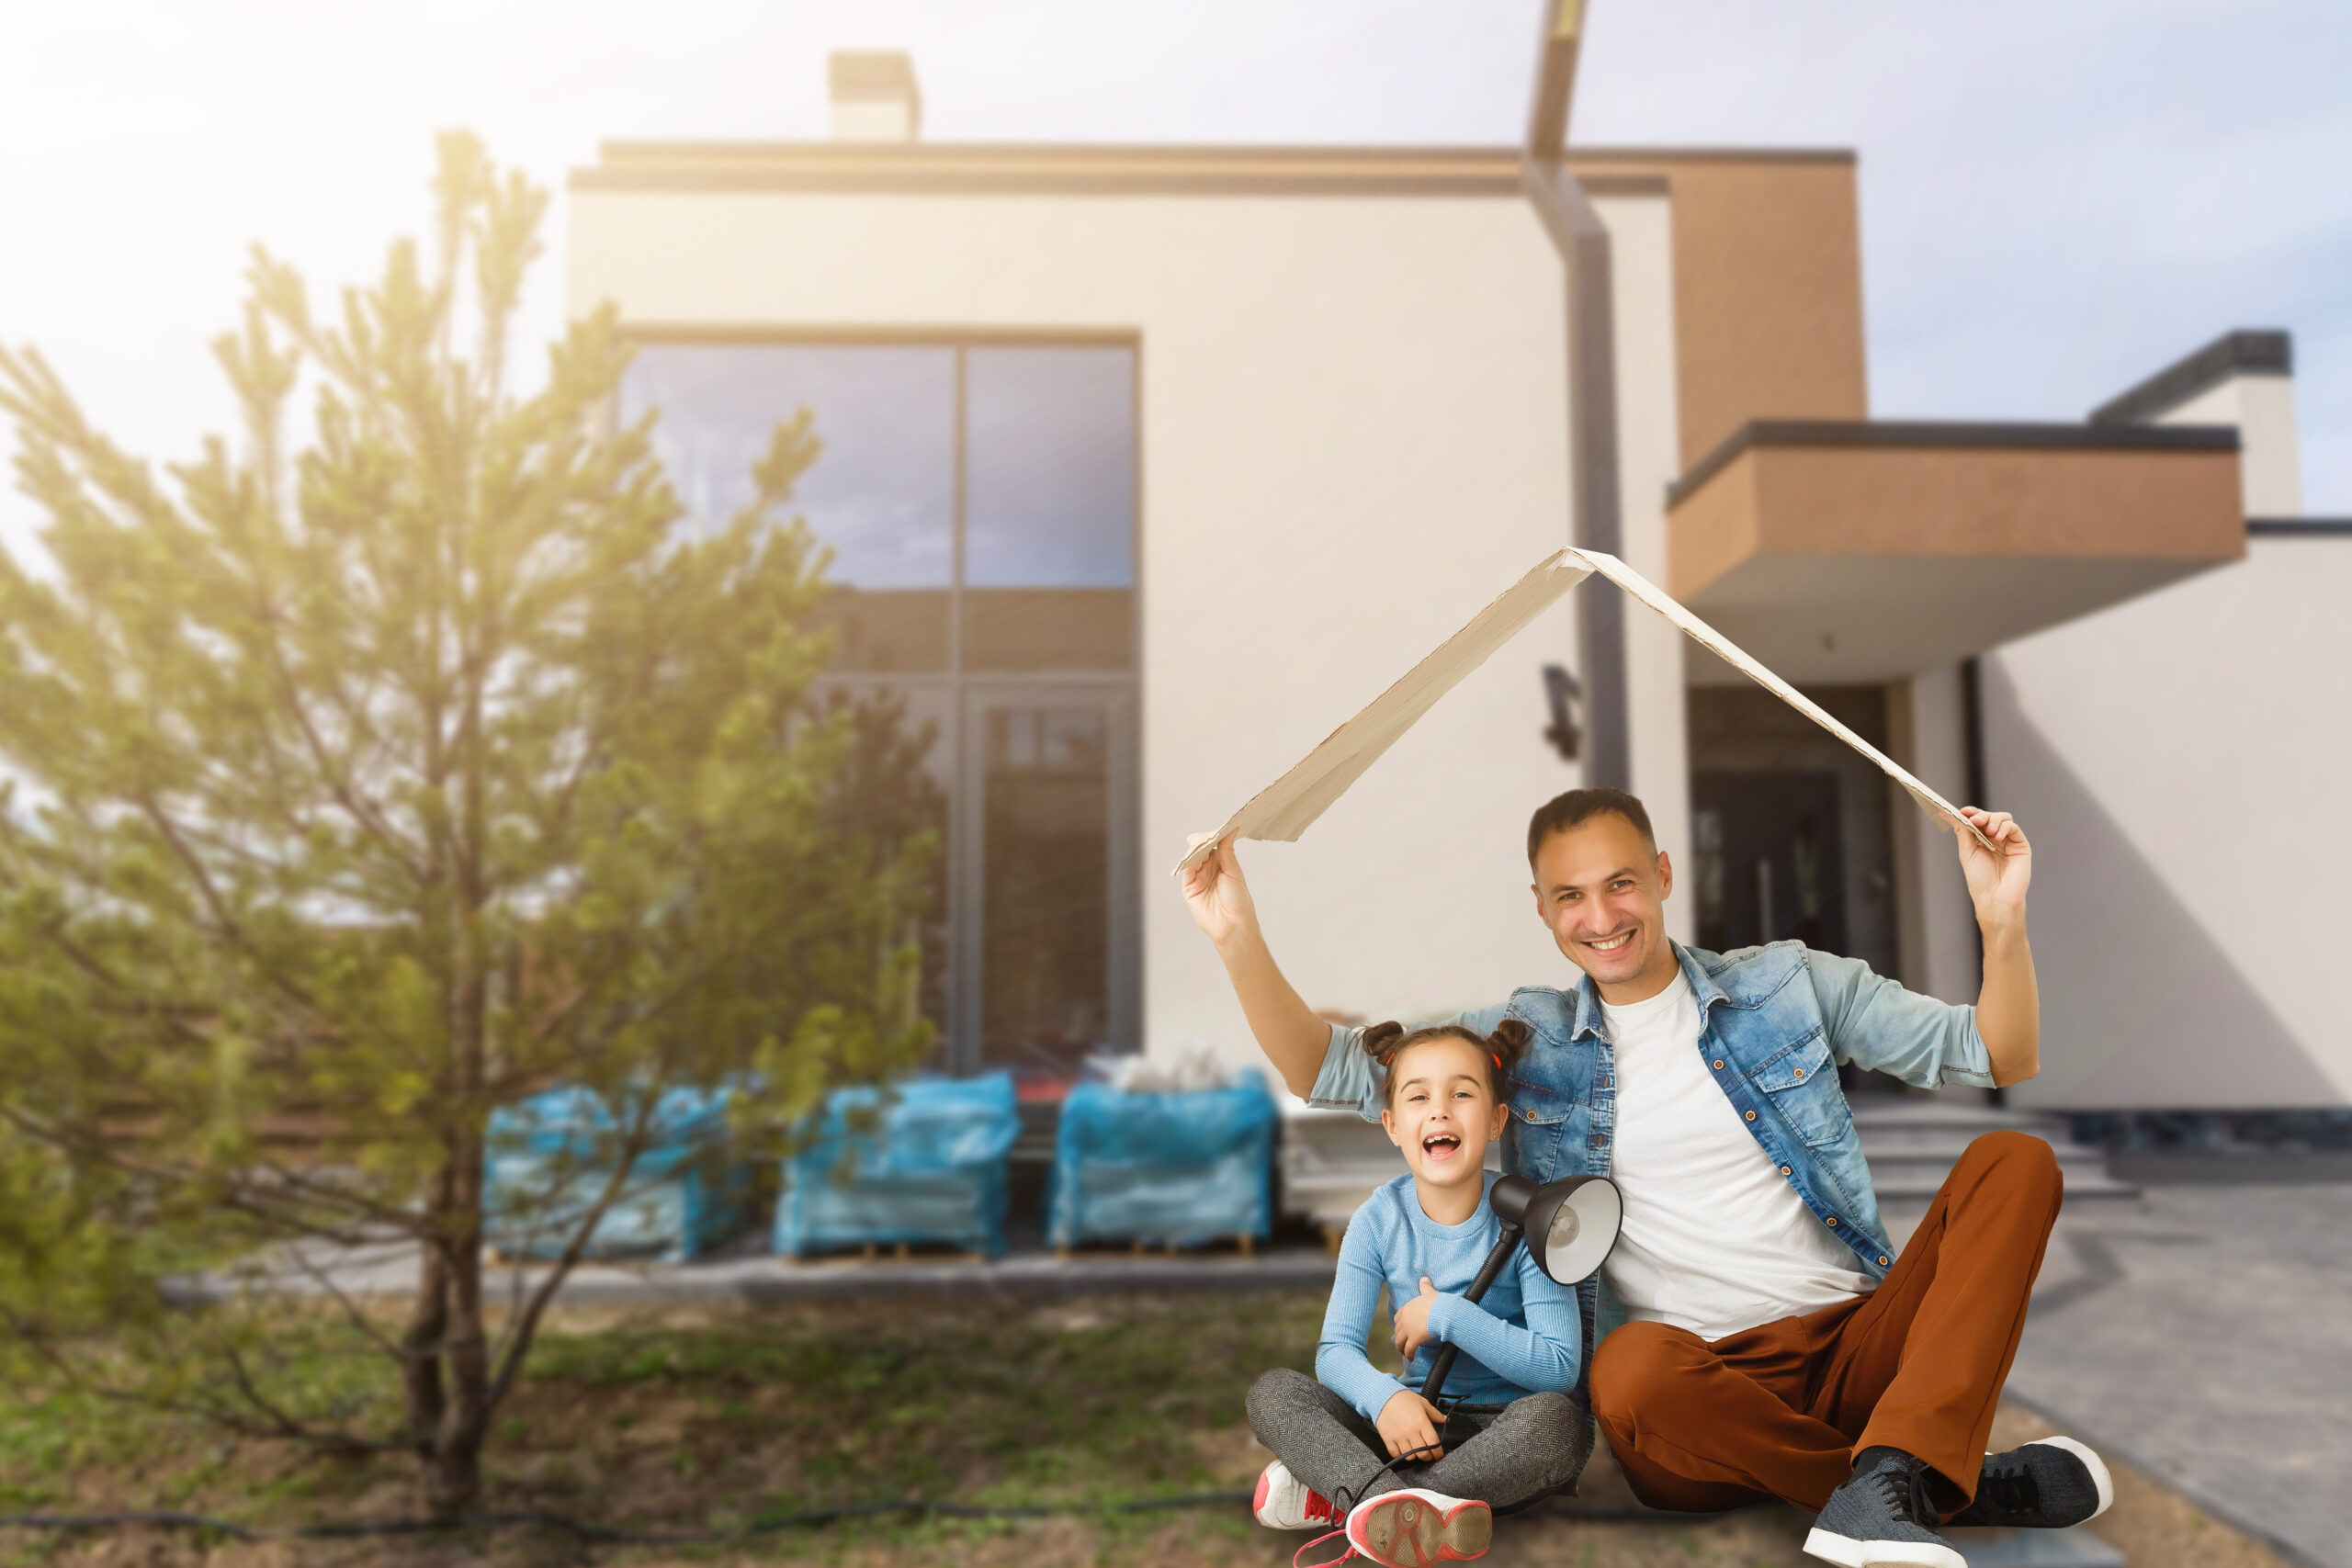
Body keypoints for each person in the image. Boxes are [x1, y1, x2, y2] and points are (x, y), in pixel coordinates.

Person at [1186, 788, 2115, 1568]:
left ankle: (1890, 1478)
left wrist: (2002, 919)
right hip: (1688, 1393)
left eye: (1621, 883)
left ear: (1663, 876)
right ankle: (1931, 1478)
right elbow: (1333, 1070)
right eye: (1571, 897)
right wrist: (1234, 936)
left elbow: (1999, 1050)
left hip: (1854, 1346)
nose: (1601, 918)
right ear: (1543, 911)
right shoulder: (1523, 1038)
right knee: (1627, 1369)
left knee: (2014, 1161)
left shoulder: (1787, 987)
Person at [1247, 1019, 1587, 1567]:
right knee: (1274, 1393)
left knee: (1557, 1422)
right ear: (1393, 1125)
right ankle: (1404, 1508)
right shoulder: (1378, 1219)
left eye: (1461, 1093)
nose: (1440, 1110)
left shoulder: (1534, 1217)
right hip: (1406, 1423)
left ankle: (1363, 1497)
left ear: (1497, 1119)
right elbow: (1336, 1353)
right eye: (1419, 1096)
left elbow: (1557, 1368)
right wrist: (1387, 1401)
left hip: (1498, 1434)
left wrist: (1448, 1315)